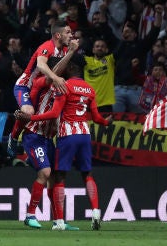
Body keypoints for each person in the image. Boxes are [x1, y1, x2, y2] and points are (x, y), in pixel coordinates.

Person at [15, 54, 112, 230]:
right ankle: (31, 214)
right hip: (42, 135)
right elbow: (96, 117)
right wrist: (15, 136)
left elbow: (56, 113)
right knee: (54, 173)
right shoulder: (44, 84)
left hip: (56, 137)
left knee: (56, 177)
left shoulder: (64, 87)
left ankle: (58, 221)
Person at [7, 20, 75, 157]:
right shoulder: (47, 46)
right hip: (25, 86)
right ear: (57, 35)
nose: (71, 35)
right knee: (28, 111)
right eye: (68, 32)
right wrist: (56, 79)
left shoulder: (66, 50)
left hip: (42, 87)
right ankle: (13, 138)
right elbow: (41, 65)